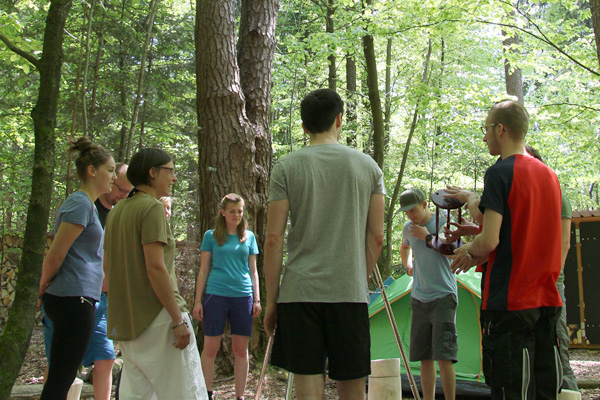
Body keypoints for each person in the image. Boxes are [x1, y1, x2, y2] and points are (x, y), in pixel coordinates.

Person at [263, 88, 386, 400]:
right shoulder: (368, 166)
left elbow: (274, 238)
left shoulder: (286, 167)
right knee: (353, 382)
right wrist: (358, 274)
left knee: (306, 381)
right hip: (349, 291)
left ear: (304, 127)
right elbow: (376, 237)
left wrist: (271, 301)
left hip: (299, 293)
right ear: (339, 120)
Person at [451, 100, 563, 399]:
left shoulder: (499, 173)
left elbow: (490, 240)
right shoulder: (549, 175)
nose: (485, 136)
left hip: (510, 300)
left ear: (500, 129)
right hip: (547, 299)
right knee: (543, 386)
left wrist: (469, 250)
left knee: (510, 386)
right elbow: (522, 231)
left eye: (486, 129)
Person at [104, 148, 207, 400]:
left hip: (128, 323)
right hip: (160, 320)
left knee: (137, 395)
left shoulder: (117, 211)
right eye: (170, 171)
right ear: (152, 173)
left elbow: (108, 267)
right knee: (185, 393)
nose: (174, 178)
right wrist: (177, 320)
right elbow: (156, 268)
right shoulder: (151, 208)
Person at [41, 164, 131, 400]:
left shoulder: (105, 211)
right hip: (71, 296)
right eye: (112, 174)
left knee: (93, 360)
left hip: (90, 297)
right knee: (61, 370)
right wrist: (42, 286)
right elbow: (57, 253)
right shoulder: (81, 204)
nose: (120, 193)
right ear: (93, 171)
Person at [192, 193, 261, 400]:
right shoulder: (210, 236)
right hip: (216, 295)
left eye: (239, 211)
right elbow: (204, 270)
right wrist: (198, 300)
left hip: (243, 296)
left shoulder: (249, 237)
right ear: (223, 213)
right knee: (211, 347)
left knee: (241, 349)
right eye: (232, 211)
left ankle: (240, 395)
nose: (236, 215)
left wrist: (257, 299)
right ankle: (207, 393)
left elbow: (253, 270)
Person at [398, 187, 457, 400]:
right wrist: (408, 265)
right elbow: (405, 247)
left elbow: (456, 255)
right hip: (419, 297)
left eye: (413, 210)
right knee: (425, 357)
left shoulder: (443, 223)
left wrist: (429, 238)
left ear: (425, 205)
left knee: (444, 356)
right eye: (406, 212)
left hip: (443, 296)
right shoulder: (408, 228)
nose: (410, 216)